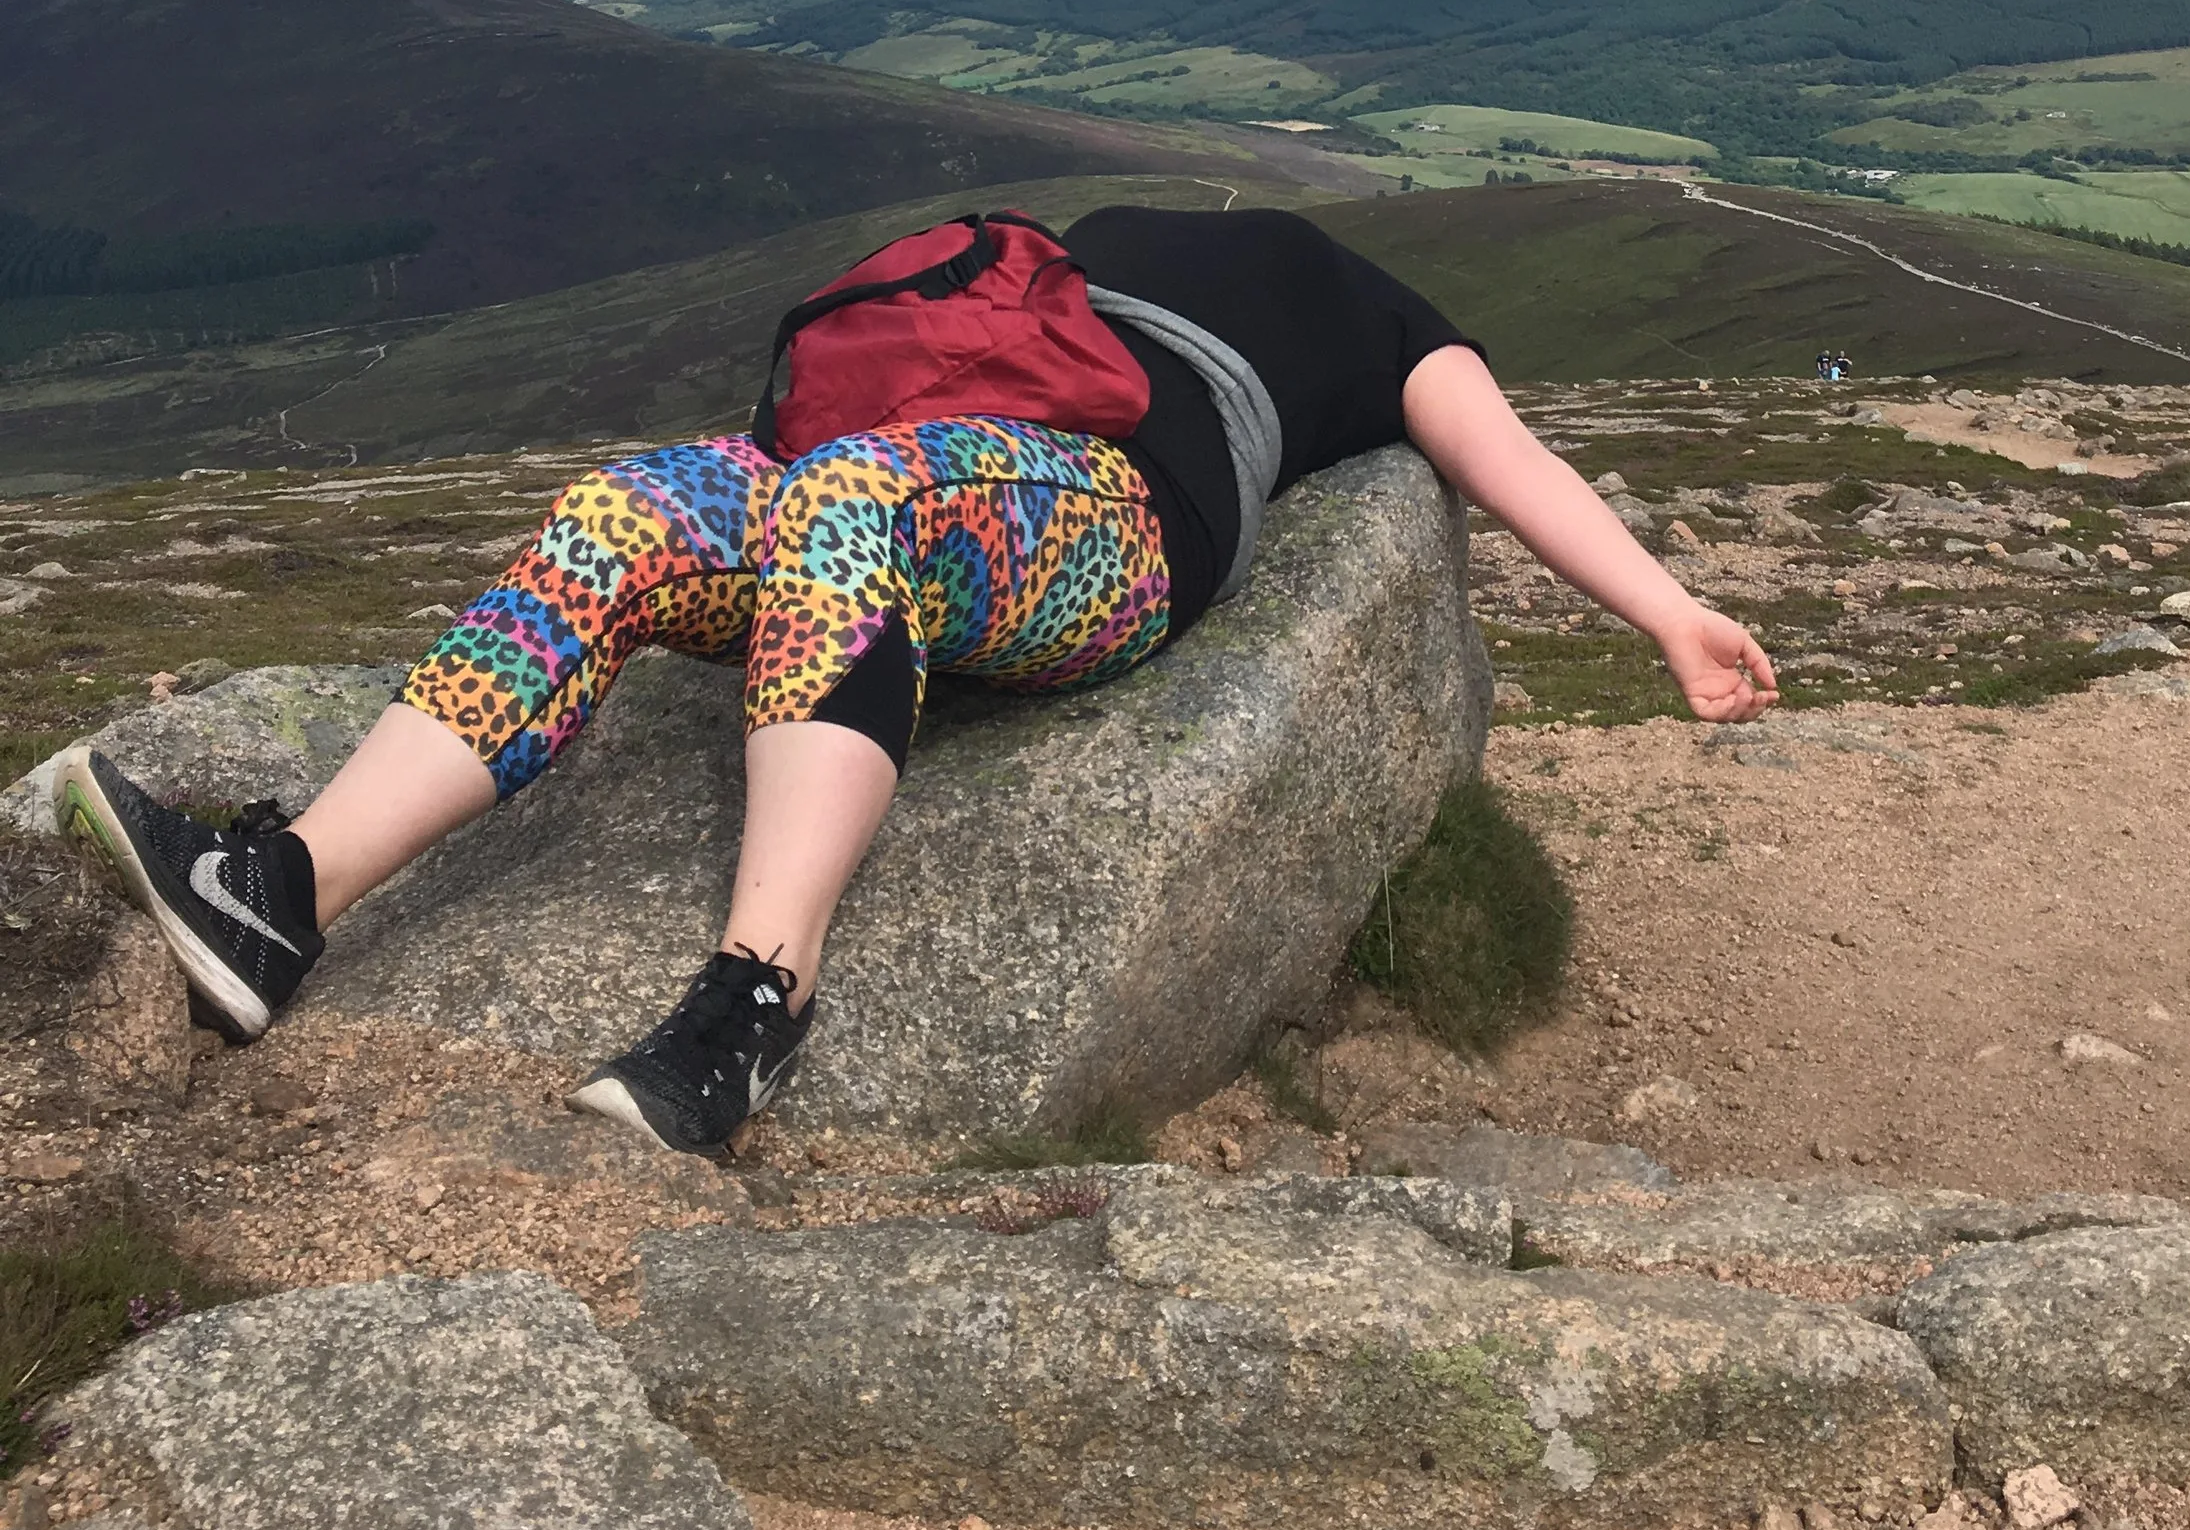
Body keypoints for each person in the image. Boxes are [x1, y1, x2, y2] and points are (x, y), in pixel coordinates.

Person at [59, 207, 1777, 1151]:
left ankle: (755, 1001)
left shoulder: (1374, 304)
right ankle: (283, 885)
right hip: (919, 481)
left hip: (1115, 530)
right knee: (629, 509)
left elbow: (1503, 455)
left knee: (858, 503)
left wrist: (1667, 612)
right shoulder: (1096, 232)